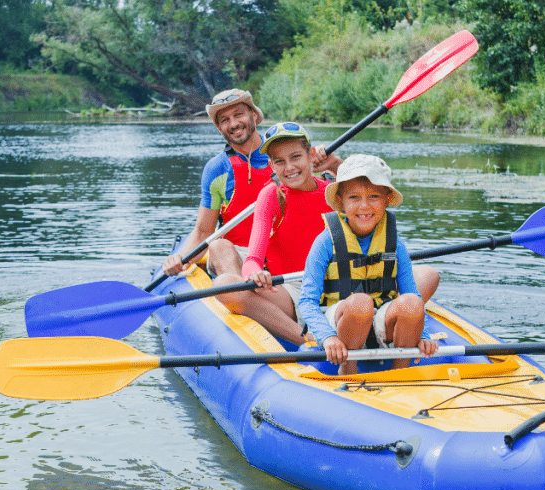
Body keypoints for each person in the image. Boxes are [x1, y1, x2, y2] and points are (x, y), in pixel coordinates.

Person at [161, 89, 339, 279]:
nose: (234, 124)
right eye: (225, 120)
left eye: (238, 114)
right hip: (238, 253)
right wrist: (180, 258)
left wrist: (334, 165)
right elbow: (204, 231)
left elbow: (339, 193)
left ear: (253, 115)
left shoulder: (286, 153)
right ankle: (244, 292)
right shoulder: (217, 169)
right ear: (219, 128)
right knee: (218, 246)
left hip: (286, 252)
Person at [298, 154, 440, 375]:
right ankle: (348, 369)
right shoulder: (325, 241)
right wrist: (327, 336)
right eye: (354, 197)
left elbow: (412, 294)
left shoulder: (395, 243)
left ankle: (399, 373)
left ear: (387, 199)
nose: (364, 206)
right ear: (341, 201)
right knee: (360, 304)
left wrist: (423, 336)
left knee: (412, 303)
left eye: (374, 196)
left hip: (380, 318)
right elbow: (307, 302)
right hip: (341, 320)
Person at [213, 122, 338, 345]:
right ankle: (306, 339)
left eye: (296, 157)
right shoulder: (271, 194)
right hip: (292, 290)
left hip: (334, 288)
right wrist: (254, 273)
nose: (289, 167)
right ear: (271, 165)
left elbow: (370, 193)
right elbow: (253, 258)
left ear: (311, 155)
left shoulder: (334, 190)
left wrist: (337, 163)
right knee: (225, 284)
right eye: (279, 161)